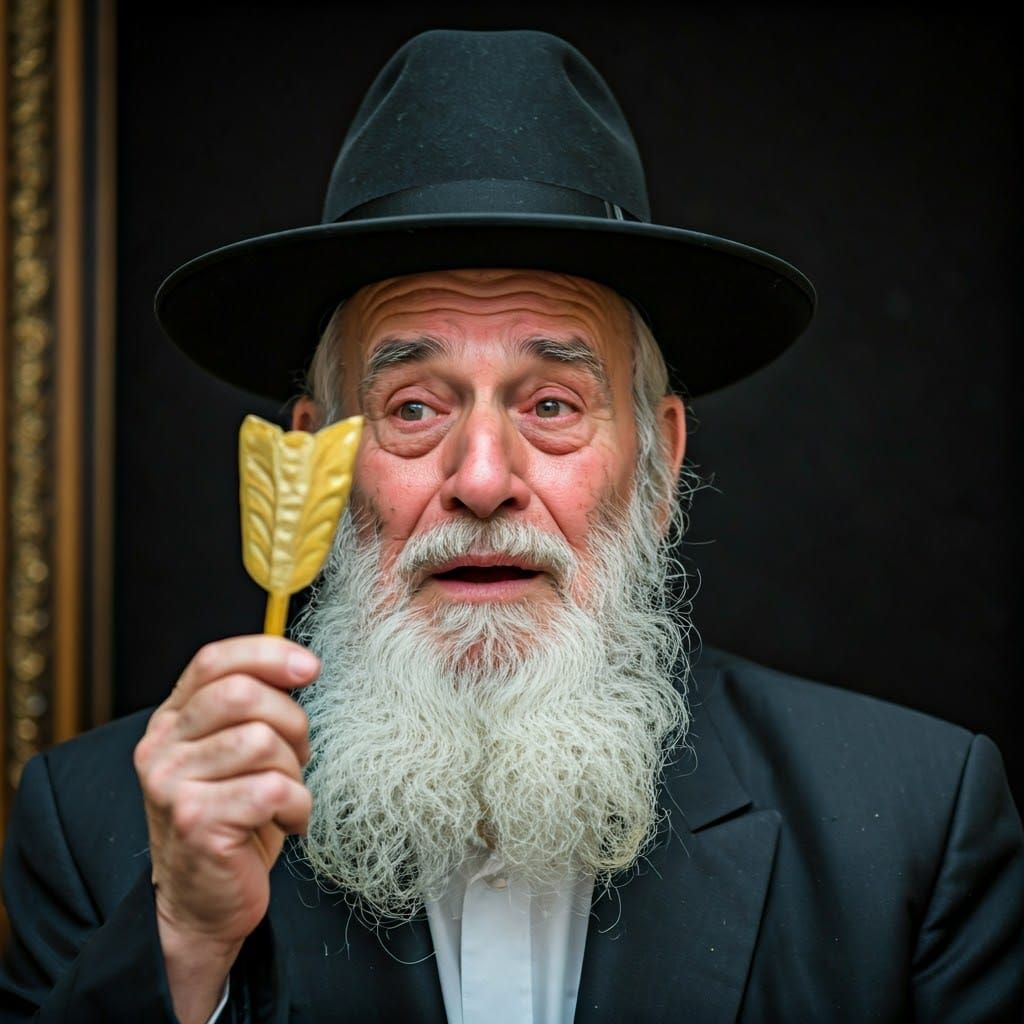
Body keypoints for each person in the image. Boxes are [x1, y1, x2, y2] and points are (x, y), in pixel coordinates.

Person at [2, 28, 1021, 1024]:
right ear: (317, 460)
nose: (482, 480)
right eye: (412, 407)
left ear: (658, 463)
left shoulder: (912, 827)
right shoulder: (96, 831)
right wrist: (184, 938)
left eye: (551, 404)